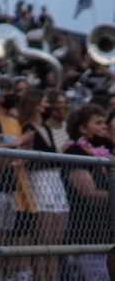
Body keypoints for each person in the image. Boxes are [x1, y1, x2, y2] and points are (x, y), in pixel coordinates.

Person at [17, 88, 69, 281]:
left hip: (55, 180)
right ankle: (41, 276)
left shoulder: (45, 128)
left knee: (55, 242)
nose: (47, 104)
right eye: (44, 101)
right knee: (43, 240)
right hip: (39, 180)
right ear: (35, 103)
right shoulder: (27, 127)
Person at [63, 104, 111, 280]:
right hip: (87, 230)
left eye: (105, 122)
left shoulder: (105, 154)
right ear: (83, 128)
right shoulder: (74, 152)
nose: (104, 126)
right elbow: (88, 191)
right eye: (98, 123)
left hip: (107, 229)